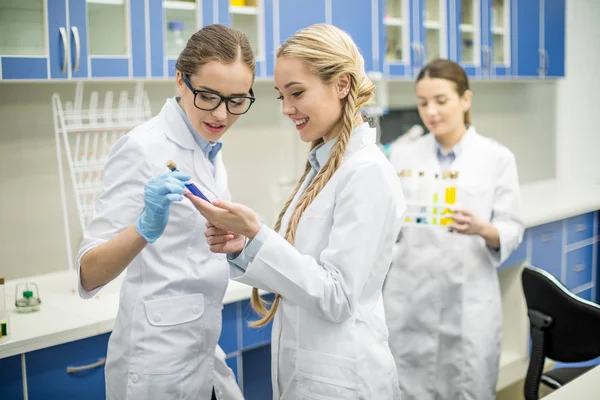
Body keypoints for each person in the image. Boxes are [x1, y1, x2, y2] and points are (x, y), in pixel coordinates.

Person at [186, 23, 405, 400]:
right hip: (310, 375)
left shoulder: (366, 172)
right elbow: (303, 270)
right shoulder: (324, 165)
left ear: (342, 85)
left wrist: (259, 236)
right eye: (281, 96)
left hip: (345, 381)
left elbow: (337, 297)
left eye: (297, 93)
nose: (287, 109)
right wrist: (245, 245)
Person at [76, 24, 255, 400]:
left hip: (201, 349)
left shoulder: (206, 146)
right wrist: (145, 227)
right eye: (208, 95)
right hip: (154, 360)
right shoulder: (142, 148)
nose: (222, 114)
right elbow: (89, 272)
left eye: (237, 100)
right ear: (180, 80)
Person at [383, 58, 525, 400]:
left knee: (467, 388)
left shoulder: (495, 158)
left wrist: (484, 229)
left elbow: (512, 226)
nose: (431, 111)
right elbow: (389, 225)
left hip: (467, 300)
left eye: (441, 101)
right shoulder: (401, 155)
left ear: (465, 99)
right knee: (406, 388)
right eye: (423, 103)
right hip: (410, 299)